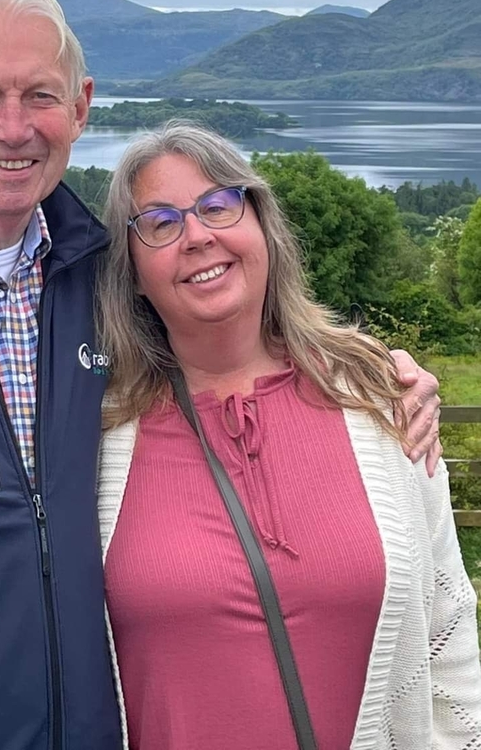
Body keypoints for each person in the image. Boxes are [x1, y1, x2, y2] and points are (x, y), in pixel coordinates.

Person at [0, 0, 441, 750]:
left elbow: (231, 329)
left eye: (40, 96)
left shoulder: (101, 280)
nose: (12, 127)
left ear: (81, 108)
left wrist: (370, 371)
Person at [96, 122, 481, 750]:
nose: (198, 235)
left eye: (219, 205)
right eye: (161, 223)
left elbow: (449, 632)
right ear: (133, 271)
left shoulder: (382, 402)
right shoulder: (91, 436)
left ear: (262, 228)